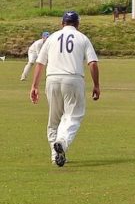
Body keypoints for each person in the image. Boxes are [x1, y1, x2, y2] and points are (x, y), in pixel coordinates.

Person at [29, 11, 100, 167]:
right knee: (73, 116)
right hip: (73, 79)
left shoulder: (52, 37)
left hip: (52, 79)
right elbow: (93, 63)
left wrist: (34, 86)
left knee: (54, 119)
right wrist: (96, 85)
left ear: (62, 23)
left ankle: (56, 156)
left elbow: (40, 63)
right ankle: (62, 142)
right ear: (78, 24)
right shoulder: (83, 38)